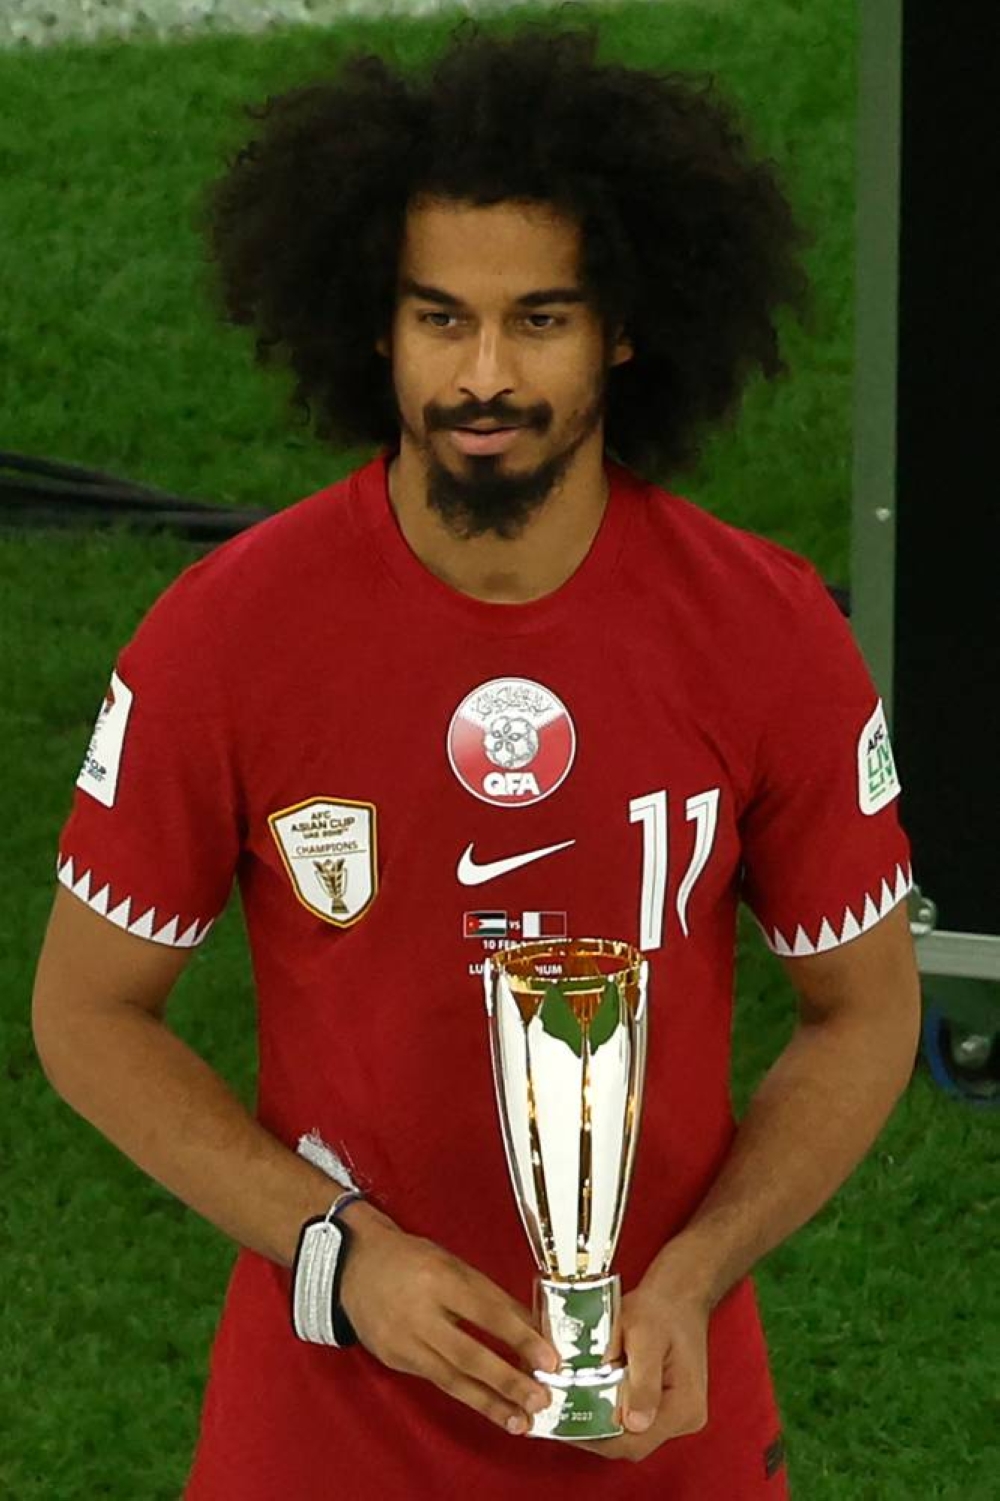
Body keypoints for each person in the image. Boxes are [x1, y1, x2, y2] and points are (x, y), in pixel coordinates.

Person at [31, 17, 921, 1499]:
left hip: (664, 1423)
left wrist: (697, 1270)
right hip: (325, 1426)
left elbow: (867, 1007)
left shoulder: (769, 633)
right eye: (440, 319)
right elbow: (86, 1014)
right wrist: (342, 1253)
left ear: (623, 326)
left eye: (541, 319)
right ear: (372, 327)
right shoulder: (225, 636)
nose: (485, 376)